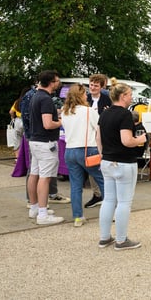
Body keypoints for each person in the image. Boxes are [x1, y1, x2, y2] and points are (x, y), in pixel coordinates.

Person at [96, 78, 147, 250]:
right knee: (124, 202)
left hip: (107, 161)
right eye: (130, 95)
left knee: (108, 199)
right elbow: (127, 141)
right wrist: (139, 139)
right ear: (123, 96)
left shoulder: (104, 113)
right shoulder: (125, 114)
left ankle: (104, 237)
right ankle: (121, 240)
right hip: (124, 162)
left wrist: (104, 154)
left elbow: (98, 137)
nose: (132, 98)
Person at [60, 84, 105, 227]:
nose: (87, 95)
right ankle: (112, 212)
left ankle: (78, 217)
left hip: (70, 150)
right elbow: (98, 130)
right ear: (80, 95)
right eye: (85, 93)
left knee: (75, 185)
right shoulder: (89, 111)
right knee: (103, 181)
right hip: (88, 149)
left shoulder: (64, 112)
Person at [27, 70, 65, 225]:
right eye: (57, 81)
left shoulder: (35, 96)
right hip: (46, 142)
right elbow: (48, 124)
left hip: (35, 140)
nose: (58, 83)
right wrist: (61, 121)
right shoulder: (47, 99)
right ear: (51, 82)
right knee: (45, 177)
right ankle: (42, 214)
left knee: (34, 174)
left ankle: (34, 207)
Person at [84, 73, 112, 209]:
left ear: (102, 87)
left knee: (105, 165)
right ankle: (97, 194)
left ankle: (108, 195)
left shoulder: (107, 99)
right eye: (91, 84)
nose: (92, 87)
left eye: (96, 85)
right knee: (92, 165)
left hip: (104, 136)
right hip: (88, 136)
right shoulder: (85, 99)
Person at [8, 87, 30, 156]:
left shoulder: (17, 101)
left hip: (17, 120)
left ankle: (17, 158)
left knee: (17, 139)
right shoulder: (30, 101)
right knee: (27, 139)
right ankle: (26, 157)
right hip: (26, 120)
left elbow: (11, 111)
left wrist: (12, 117)